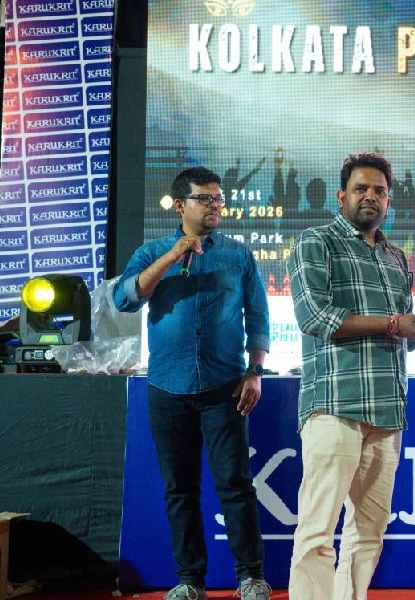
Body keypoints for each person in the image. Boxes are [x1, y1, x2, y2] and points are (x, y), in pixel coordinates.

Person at [113, 167, 271, 600]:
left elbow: (258, 316)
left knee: (235, 484)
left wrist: (255, 371)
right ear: (180, 205)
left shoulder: (238, 255)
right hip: (168, 387)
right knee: (179, 489)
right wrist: (172, 256)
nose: (215, 206)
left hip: (225, 387)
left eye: (219, 199)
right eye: (205, 199)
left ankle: (250, 577)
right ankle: (190, 580)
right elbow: (125, 298)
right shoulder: (152, 252)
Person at [285, 153, 415, 600]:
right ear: (342, 196)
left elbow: (405, 337)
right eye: (361, 189)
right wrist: (394, 323)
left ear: (389, 200)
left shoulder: (395, 257)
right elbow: (316, 317)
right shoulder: (316, 242)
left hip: (387, 411)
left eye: (379, 191)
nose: (370, 196)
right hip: (334, 405)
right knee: (317, 531)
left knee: (368, 533)